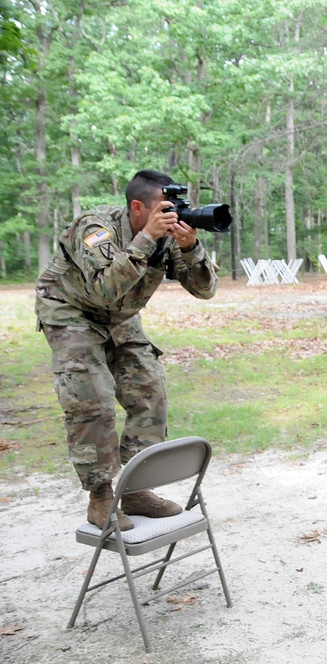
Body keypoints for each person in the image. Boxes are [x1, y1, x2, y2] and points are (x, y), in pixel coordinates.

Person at [35, 169, 218, 531]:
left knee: (150, 392)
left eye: (176, 207)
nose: (173, 215)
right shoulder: (95, 229)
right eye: (164, 208)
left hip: (119, 314)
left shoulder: (168, 234)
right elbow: (104, 288)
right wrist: (147, 238)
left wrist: (189, 247)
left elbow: (204, 290)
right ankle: (100, 496)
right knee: (93, 399)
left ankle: (136, 490)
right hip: (71, 310)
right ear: (138, 207)